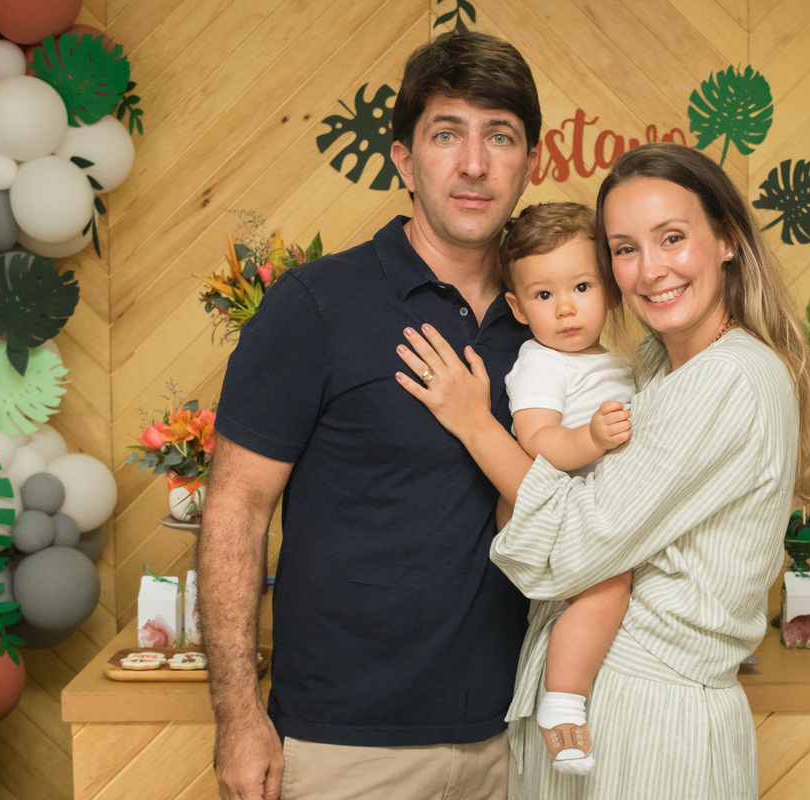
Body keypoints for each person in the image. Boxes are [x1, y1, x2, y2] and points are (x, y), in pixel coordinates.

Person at [395, 142, 810, 798]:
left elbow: (579, 545)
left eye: (673, 238)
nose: (650, 270)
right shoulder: (655, 366)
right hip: (598, 708)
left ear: (727, 241)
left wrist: (474, 422)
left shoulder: (729, 378)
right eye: (625, 249)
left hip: (656, 720)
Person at [198, 30, 541, 800]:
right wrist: (238, 712)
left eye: (500, 137)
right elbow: (236, 509)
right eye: (446, 134)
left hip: (512, 736)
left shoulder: (549, 322)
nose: (474, 164)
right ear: (403, 160)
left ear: (532, 164)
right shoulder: (315, 306)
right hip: (342, 746)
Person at [498, 202, 635, 775]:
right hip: (543, 512)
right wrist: (592, 438)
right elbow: (535, 439)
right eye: (544, 296)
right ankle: (562, 703)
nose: (567, 308)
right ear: (517, 307)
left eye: (581, 286)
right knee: (609, 583)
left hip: (588, 506)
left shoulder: (620, 360)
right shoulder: (541, 362)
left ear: (609, 287)